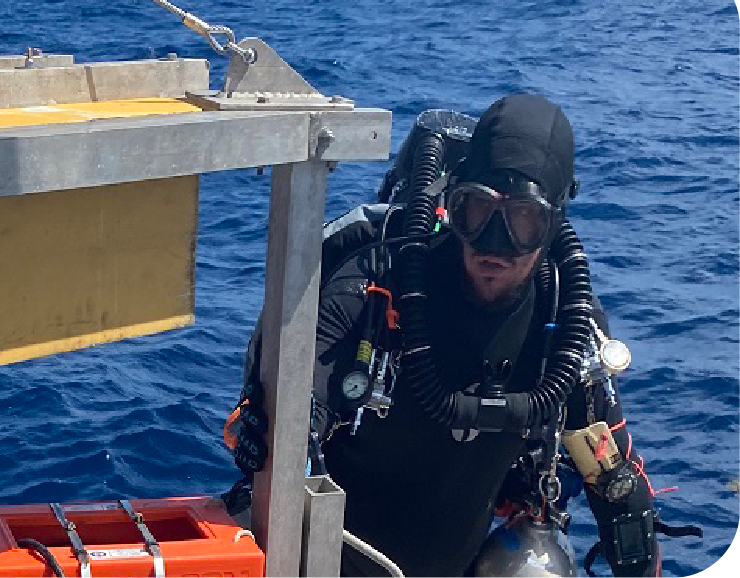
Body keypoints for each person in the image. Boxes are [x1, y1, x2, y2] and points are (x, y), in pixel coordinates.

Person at [226, 95, 692, 577]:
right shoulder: (372, 288)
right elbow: (285, 431)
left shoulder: (564, 326)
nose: (496, 243)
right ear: (453, 206)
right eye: (478, 212)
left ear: (553, 225)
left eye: (523, 220)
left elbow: (615, 484)